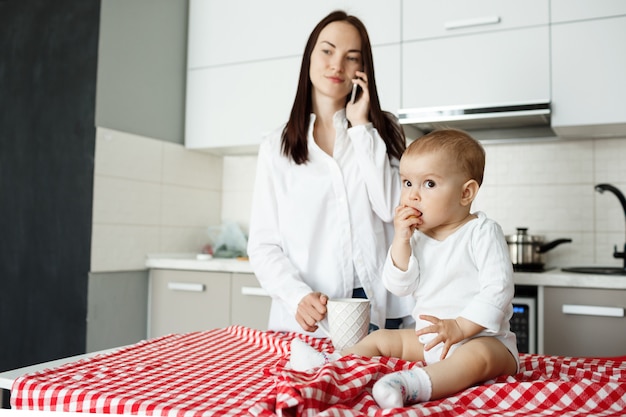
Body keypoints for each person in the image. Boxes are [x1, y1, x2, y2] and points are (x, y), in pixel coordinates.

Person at [290, 128, 520, 409]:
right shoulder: (417, 237)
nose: (412, 195)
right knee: (380, 338)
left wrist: (460, 327)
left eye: (429, 184)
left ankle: (410, 385)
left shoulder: (481, 231)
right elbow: (399, 285)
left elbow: (498, 290)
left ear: (465, 193)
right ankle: (334, 363)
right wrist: (401, 240)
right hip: (430, 339)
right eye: (407, 183)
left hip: (483, 339)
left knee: (477, 357)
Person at [246, 10, 414, 336]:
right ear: (309, 56)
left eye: (352, 57)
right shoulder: (275, 147)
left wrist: (363, 127)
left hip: (381, 308)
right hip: (311, 317)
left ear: (362, 70)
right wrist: (297, 297)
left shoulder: (383, 129)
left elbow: (394, 210)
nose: (337, 65)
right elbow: (264, 245)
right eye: (327, 50)